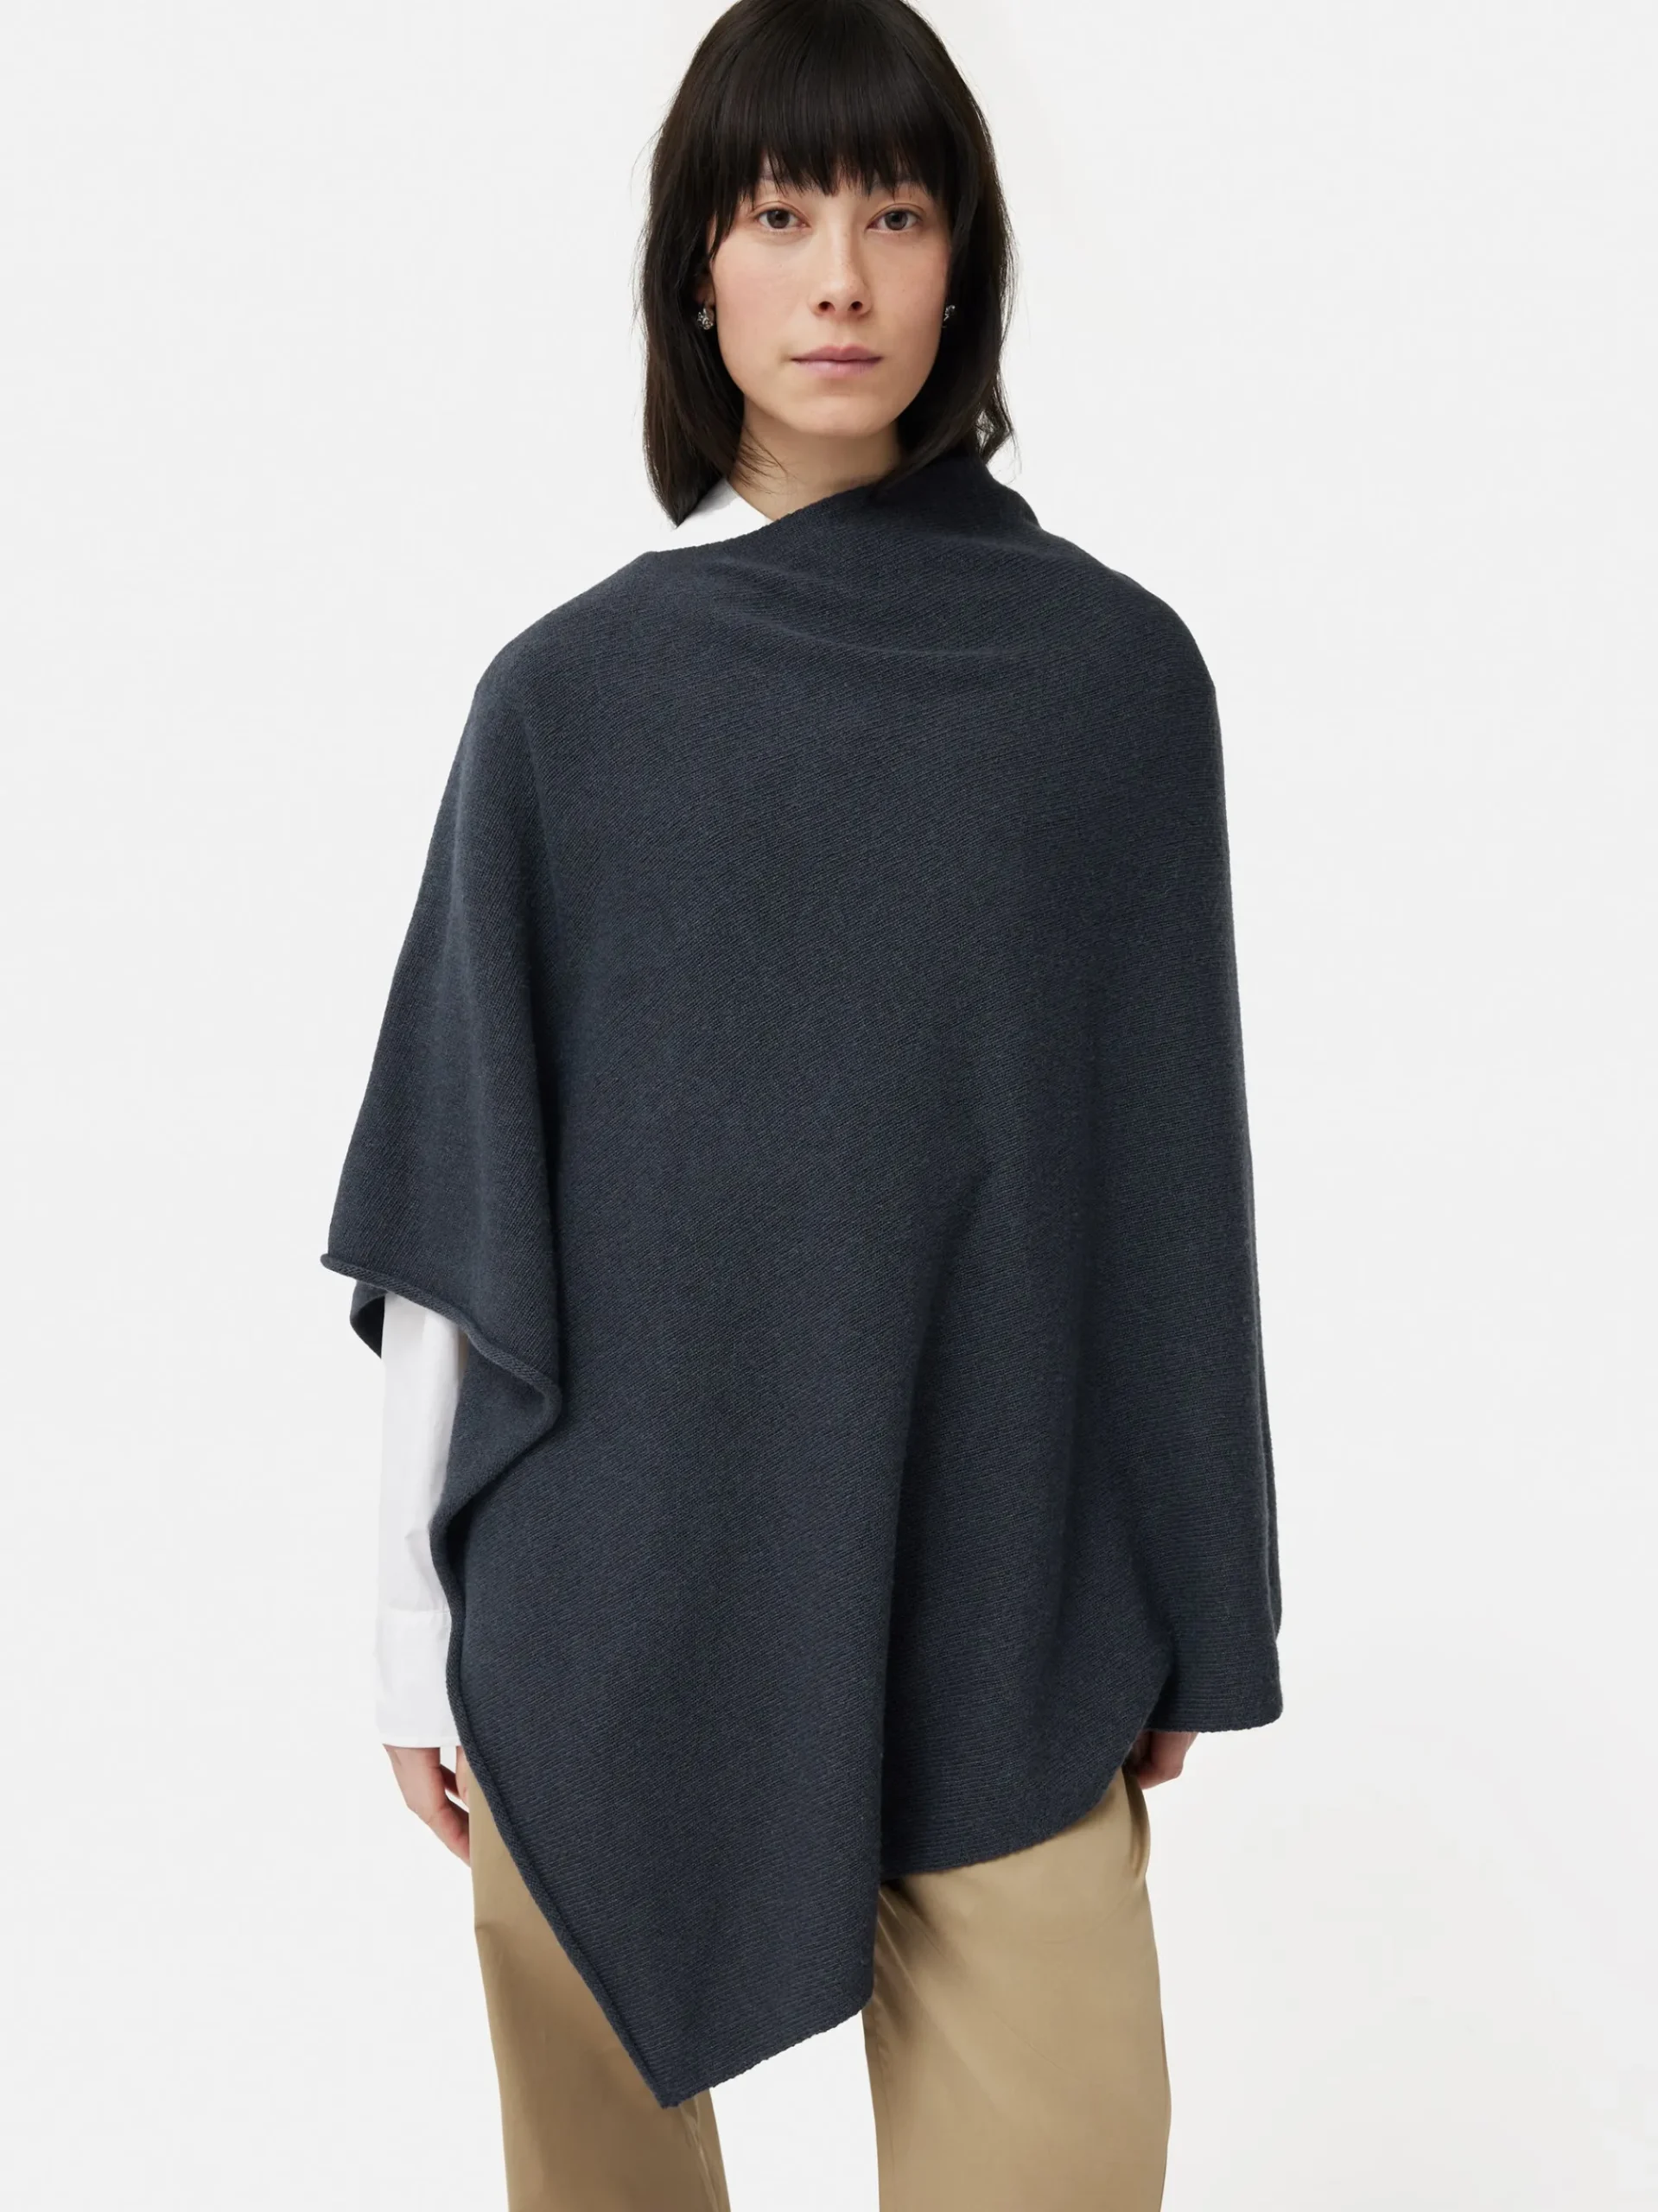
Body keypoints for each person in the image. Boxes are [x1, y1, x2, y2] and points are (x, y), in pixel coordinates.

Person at [321, 1, 1284, 2205]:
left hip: (1006, 1583)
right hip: (615, 1589)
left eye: (893, 213)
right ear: (697, 270)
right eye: (776, 216)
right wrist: (410, 1632)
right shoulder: (565, 703)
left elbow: (1170, 1181)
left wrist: (1197, 1581)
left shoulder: (1110, 682)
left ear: (961, 269)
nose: (836, 277)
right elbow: (462, 1188)